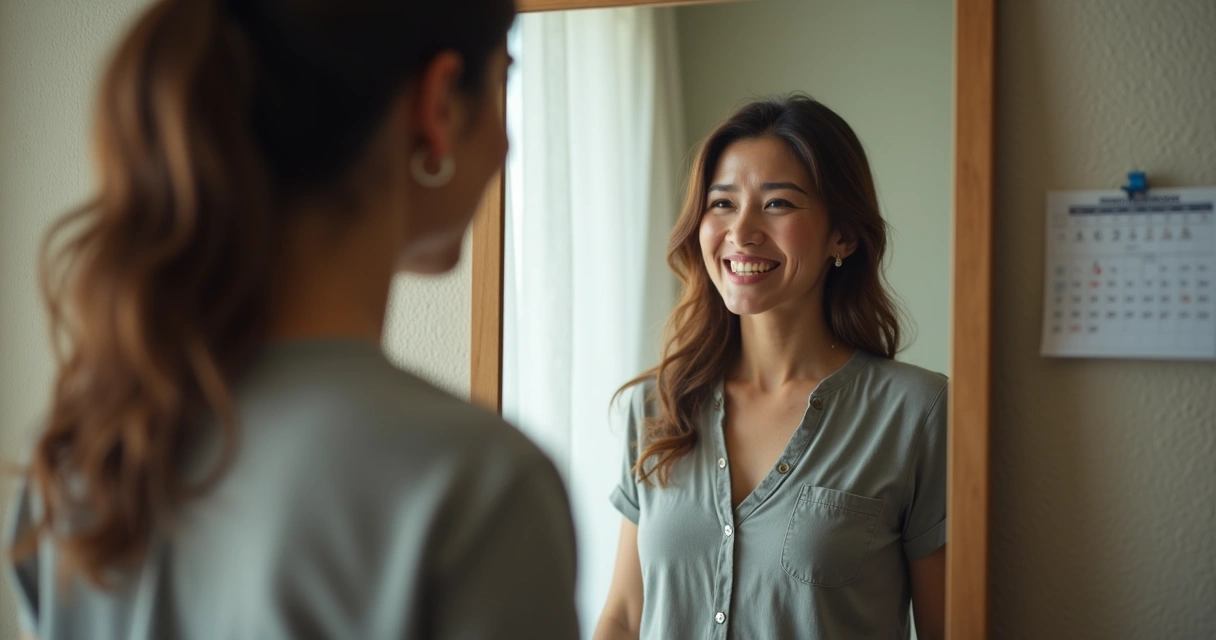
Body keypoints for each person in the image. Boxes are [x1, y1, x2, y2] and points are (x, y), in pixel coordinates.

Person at [2, 1, 580, 638]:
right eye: (504, 81)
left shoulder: (78, 460)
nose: (505, 141)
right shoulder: (479, 487)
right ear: (438, 106)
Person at [595, 95, 947, 640]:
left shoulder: (917, 414)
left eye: (778, 204)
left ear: (844, 236)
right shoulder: (658, 405)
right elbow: (622, 615)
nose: (742, 232)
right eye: (722, 204)